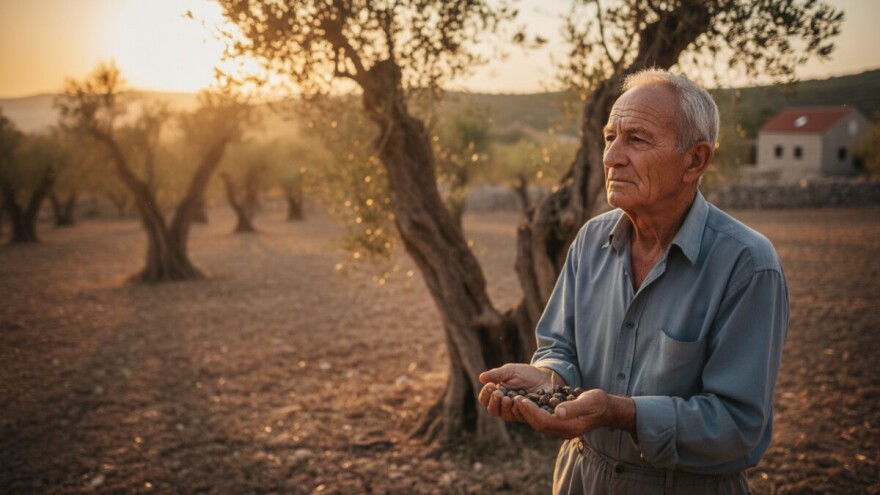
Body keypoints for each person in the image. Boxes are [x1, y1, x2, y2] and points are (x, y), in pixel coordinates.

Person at [478, 69, 789, 494]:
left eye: (636, 139)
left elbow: (737, 424)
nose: (611, 158)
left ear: (695, 160)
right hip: (581, 479)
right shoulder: (590, 240)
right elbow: (559, 346)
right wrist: (548, 379)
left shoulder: (747, 264)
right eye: (609, 137)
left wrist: (619, 412)